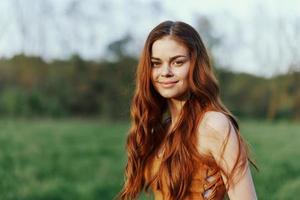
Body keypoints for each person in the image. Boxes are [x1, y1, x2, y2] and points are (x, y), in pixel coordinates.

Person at [117, 20, 258, 200]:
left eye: (177, 62)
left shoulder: (214, 124)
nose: (165, 72)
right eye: (156, 63)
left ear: (195, 65)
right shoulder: (163, 129)